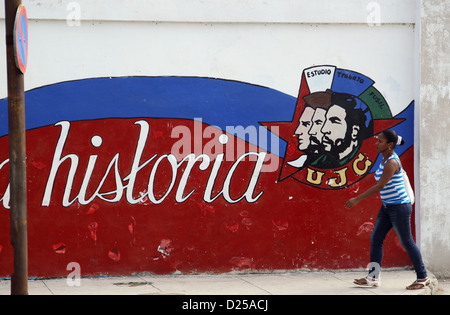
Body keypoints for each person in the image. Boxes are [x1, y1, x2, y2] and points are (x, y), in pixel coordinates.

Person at [344, 130, 429, 290]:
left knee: (407, 242)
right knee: (376, 239)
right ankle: (373, 277)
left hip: (399, 207)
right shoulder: (384, 160)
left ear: (390, 145)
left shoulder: (392, 162)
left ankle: (423, 277)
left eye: (380, 141)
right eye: (377, 140)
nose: (376, 143)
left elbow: (380, 185)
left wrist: (357, 199)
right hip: (388, 207)